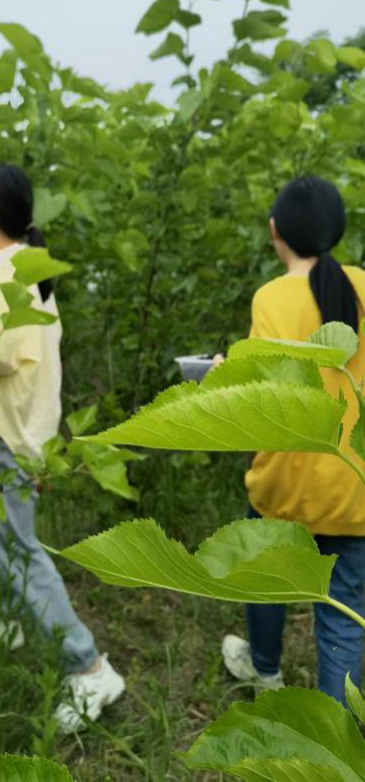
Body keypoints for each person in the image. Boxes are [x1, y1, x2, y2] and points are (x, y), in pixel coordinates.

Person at [0, 164, 125, 732]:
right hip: (27, 425)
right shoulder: (31, 265)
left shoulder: (7, 270)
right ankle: (10, 617)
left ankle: (88, 665)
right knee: (9, 531)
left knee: (20, 548)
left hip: (7, 430)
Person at [221, 176, 365, 706]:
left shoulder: (271, 297)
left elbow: (261, 389)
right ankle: (334, 724)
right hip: (353, 486)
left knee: (267, 579)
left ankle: (265, 673)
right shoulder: (363, 285)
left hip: (285, 482)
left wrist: (222, 372)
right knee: (343, 612)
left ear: (274, 230)